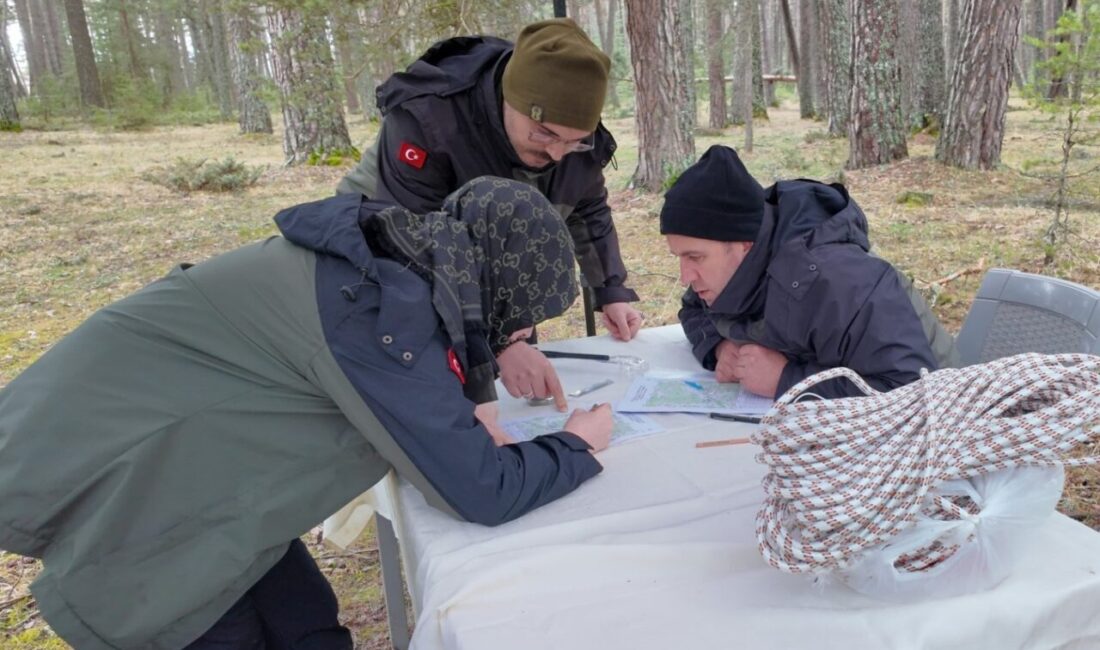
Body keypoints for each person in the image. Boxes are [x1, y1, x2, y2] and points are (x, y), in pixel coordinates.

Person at [0, 178, 613, 650]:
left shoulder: (401, 261)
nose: (526, 329)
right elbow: (481, 490)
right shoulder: (378, 314)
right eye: (525, 310)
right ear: (496, 280)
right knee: (218, 627)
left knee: (306, 624)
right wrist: (574, 445)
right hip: (152, 493)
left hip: (202, 469)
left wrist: (461, 406)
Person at [337, 18, 644, 408]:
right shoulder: (429, 120)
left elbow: (586, 207)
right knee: (423, 356)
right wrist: (498, 344)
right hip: (386, 226)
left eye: (574, 142)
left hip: (484, 225)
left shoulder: (571, 135)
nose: (556, 154)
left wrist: (610, 289)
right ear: (509, 101)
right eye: (545, 134)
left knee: (507, 369)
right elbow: (416, 250)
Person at [662, 145, 959, 399]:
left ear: (743, 245)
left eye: (694, 257)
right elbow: (693, 309)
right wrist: (718, 346)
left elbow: (913, 389)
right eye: (679, 257)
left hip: (941, 425)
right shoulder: (723, 276)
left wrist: (789, 381)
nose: (686, 275)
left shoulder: (842, 283)